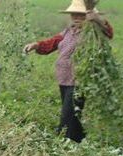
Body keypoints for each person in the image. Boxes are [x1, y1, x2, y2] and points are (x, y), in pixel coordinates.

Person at [23, 0, 113, 143]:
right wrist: (36, 45)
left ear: (88, 16)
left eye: (81, 15)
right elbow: (51, 43)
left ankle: (62, 141)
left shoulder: (93, 32)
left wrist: (96, 19)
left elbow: (108, 33)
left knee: (67, 114)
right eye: (74, 15)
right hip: (64, 78)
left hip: (79, 80)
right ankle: (78, 141)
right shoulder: (67, 31)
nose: (77, 18)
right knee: (73, 114)